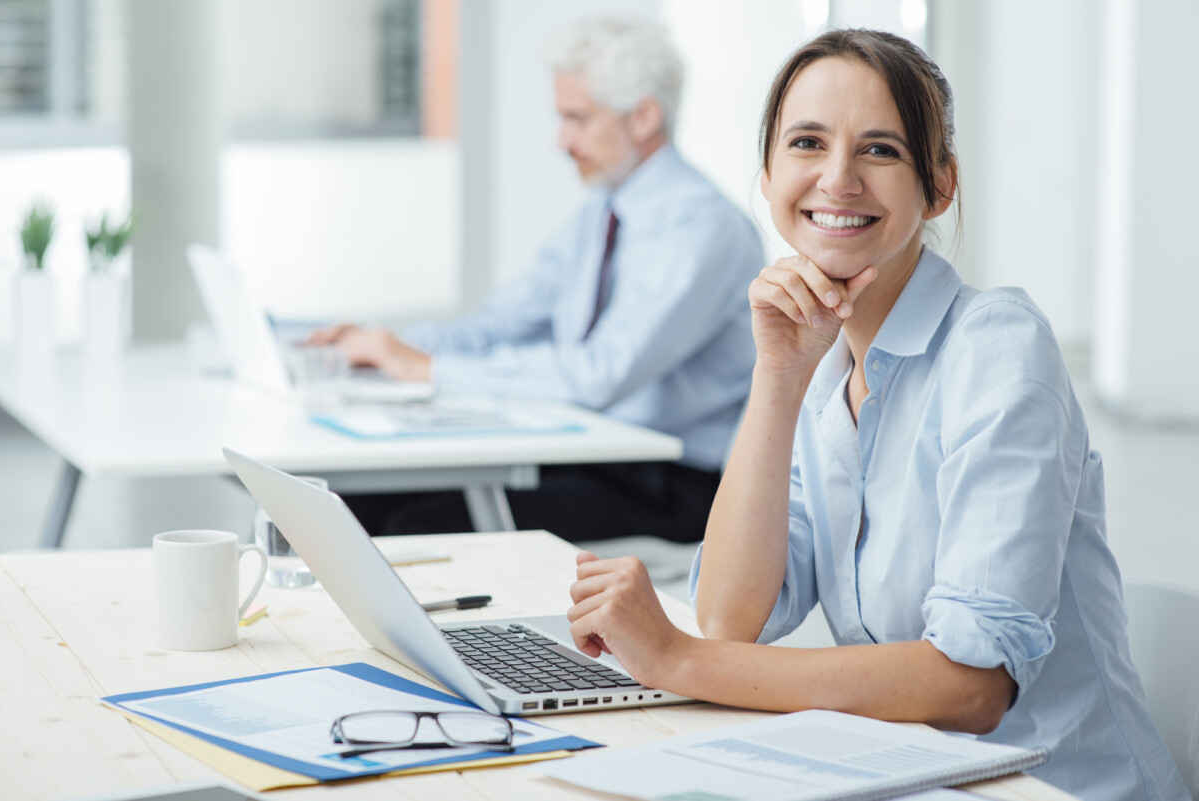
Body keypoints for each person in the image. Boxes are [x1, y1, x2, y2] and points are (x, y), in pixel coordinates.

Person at [564, 28, 1188, 801]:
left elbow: (971, 686)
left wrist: (676, 660)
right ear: (767, 174)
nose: (838, 178)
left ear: (940, 185)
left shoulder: (997, 349)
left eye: (881, 150)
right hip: (908, 779)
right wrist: (778, 377)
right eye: (806, 142)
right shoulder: (819, 365)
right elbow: (730, 616)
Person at [309, 18, 762, 543]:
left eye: (577, 119)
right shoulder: (601, 212)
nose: (561, 140)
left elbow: (600, 374)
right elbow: (501, 322)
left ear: (643, 116)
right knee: (353, 499)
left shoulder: (703, 227)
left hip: (668, 482)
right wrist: (387, 346)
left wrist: (429, 369)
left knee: (419, 527)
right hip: (584, 454)